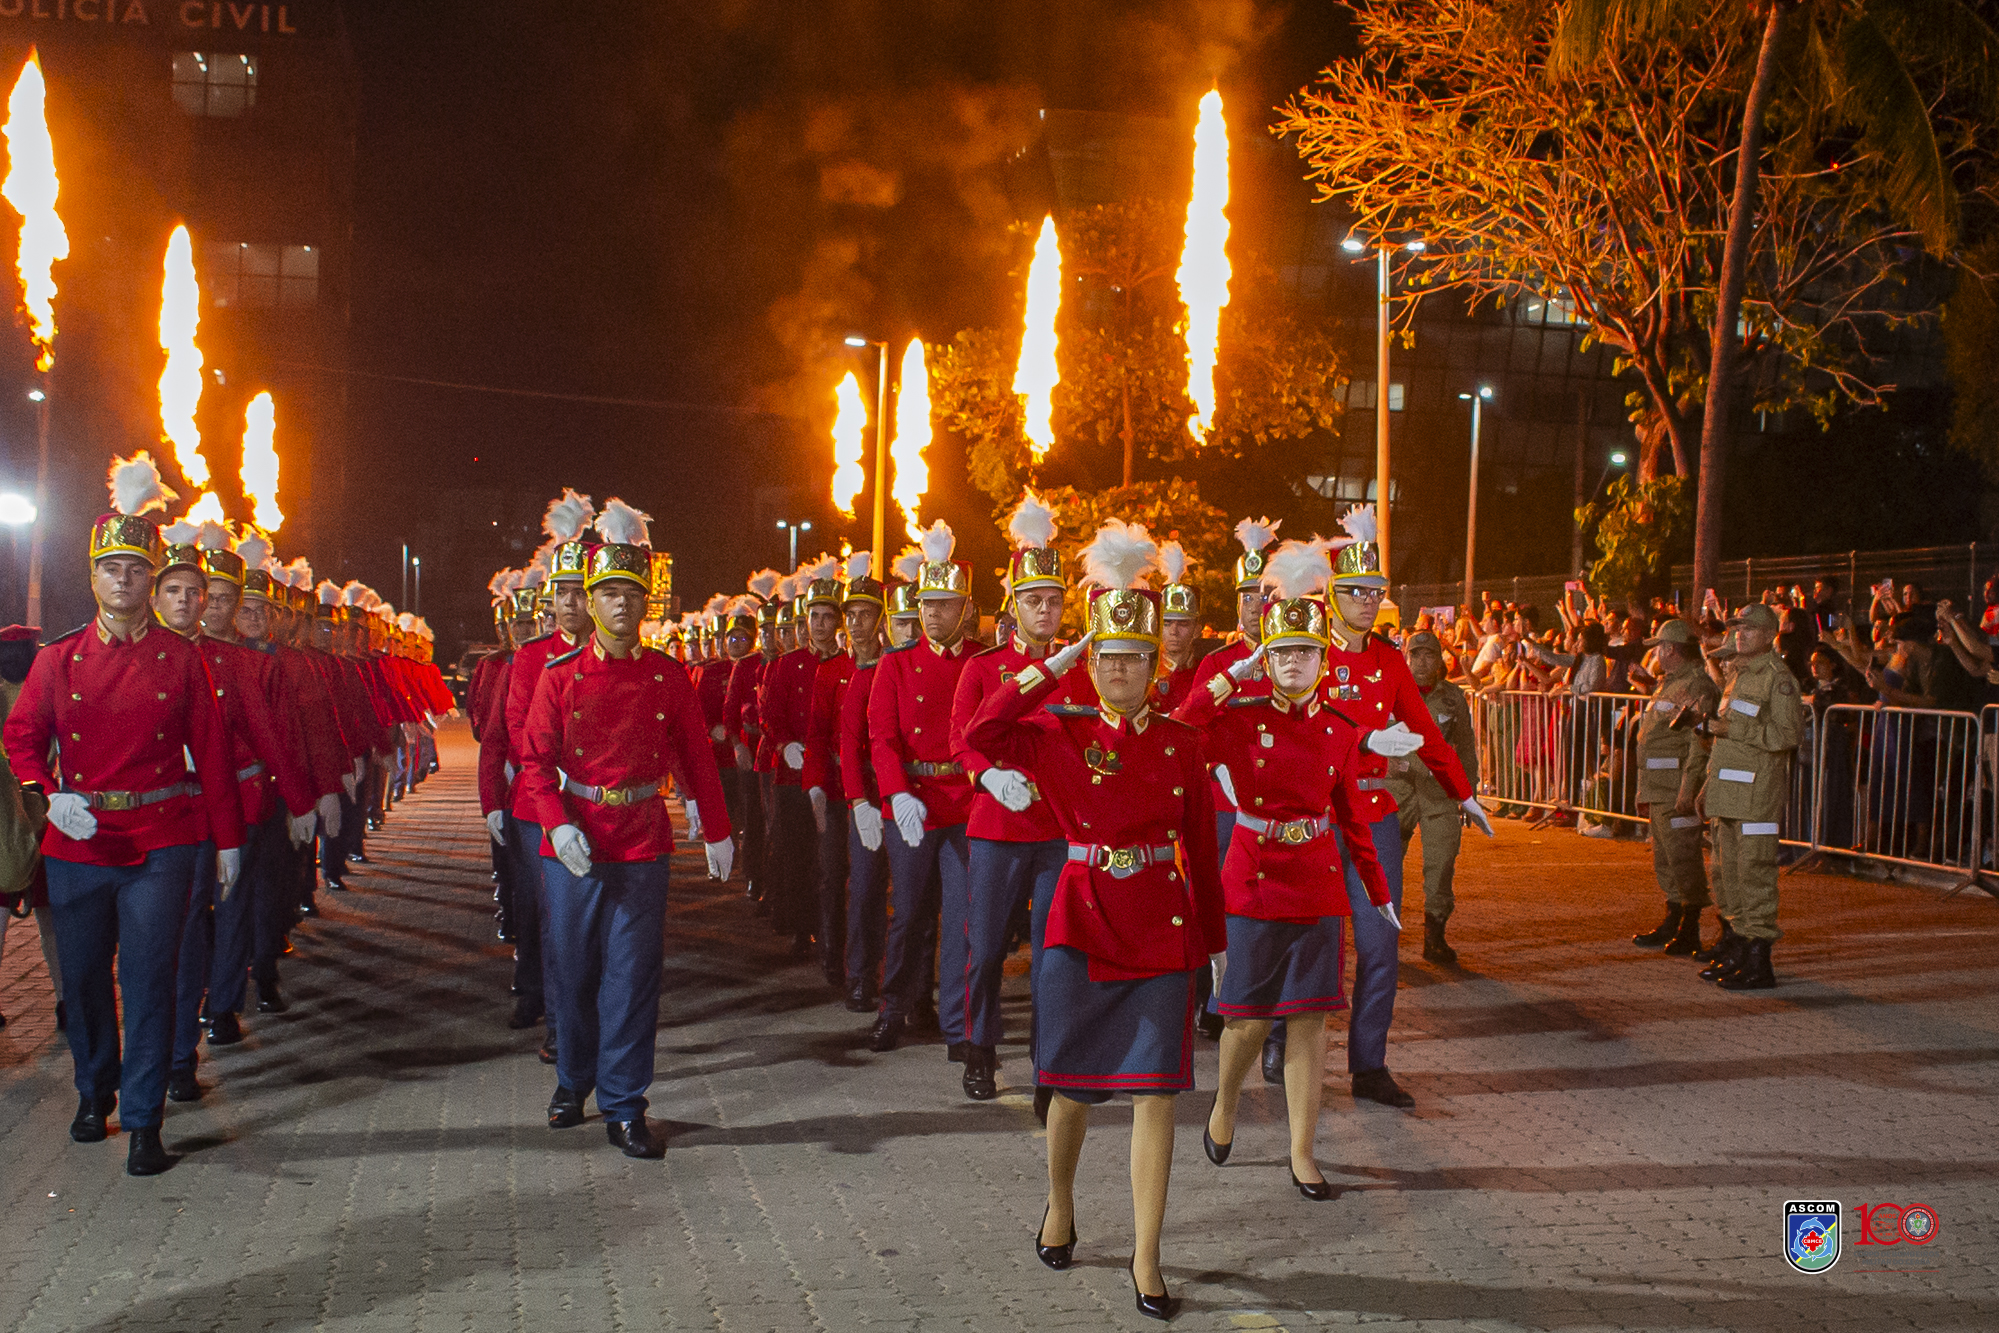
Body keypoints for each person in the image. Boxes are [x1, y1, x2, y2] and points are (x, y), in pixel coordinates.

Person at [966, 519, 1222, 1319]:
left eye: (1134, 660)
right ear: (1094, 661)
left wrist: (1215, 949)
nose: (1120, 671)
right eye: (1108, 658)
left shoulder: (1180, 743)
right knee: (1069, 1088)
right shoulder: (1059, 732)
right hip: (1078, 923)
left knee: (1156, 1096)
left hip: (1160, 928)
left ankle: (1147, 1256)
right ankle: (1061, 1203)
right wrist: (1052, 665)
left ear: (1153, 666)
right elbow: (979, 732)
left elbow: (1203, 852)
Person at [2, 453, 246, 1176]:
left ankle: (143, 1118)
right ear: (93, 576)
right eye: (111, 568)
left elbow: (213, 751)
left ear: (150, 577)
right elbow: (20, 737)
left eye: (136, 569)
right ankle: (94, 1087)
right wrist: (47, 791)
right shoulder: (58, 660)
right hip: (80, 841)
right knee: (80, 981)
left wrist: (227, 843)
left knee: (150, 981)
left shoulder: (181, 660)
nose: (124, 580)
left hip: (163, 839)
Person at [516, 499, 735, 1158]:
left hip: (641, 840)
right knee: (573, 971)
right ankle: (572, 1079)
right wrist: (557, 823)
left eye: (628, 595)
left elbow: (696, 756)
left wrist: (717, 827)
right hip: (576, 845)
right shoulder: (559, 678)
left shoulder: (667, 677)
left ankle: (624, 1102)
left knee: (633, 977)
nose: (617, 605)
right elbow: (532, 762)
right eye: (606, 593)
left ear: (645, 605)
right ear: (588, 599)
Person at [1172, 537, 1388, 1204]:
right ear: (1266, 658)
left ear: (1323, 660)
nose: (1294, 662)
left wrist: (1377, 894)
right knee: (1243, 1018)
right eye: (1282, 652)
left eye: (1306, 651)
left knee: (1308, 1021)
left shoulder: (1339, 728)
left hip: (1316, 882)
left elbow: (1353, 818)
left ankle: (1301, 1151)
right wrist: (1230, 677)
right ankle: (1226, 1102)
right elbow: (1181, 727)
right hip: (1254, 878)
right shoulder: (1239, 718)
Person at [1261, 504, 1487, 1105]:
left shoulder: (1389, 660)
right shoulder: (1304, 648)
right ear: (1333, 594)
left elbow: (1428, 734)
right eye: (1356, 590)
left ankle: (1368, 1064)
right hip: (1313, 818)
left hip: (1373, 817)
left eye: (1375, 591)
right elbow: (1292, 724)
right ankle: (1282, 1035)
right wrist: (1360, 739)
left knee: (1381, 945)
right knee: (1309, 940)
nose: (1367, 600)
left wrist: (1462, 793)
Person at [150, 528, 321, 1102]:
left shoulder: (236, 664)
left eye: (214, 596)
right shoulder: (140, 656)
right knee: (175, 930)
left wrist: (300, 800)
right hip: (164, 813)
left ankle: (218, 1009)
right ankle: (170, 1043)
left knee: (228, 909)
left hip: (234, 804)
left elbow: (271, 737)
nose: (208, 605)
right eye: (199, 592)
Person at [949, 493, 1082, 1101]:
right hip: (998, 826)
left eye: (1054, 600)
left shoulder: (1081, 667)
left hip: (1057, 829)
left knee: (1055, 951)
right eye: (1034, 600)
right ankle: (979, 1048)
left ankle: (1047, 1059)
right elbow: (962, 743)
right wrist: (988, 776)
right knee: (985, 948)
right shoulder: (982, 667)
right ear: (1014, 606)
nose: (1046, 609)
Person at [866, 522, 977, 1053]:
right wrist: (896, 793)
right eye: (926, 603)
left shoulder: (980, 662)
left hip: (966, 803)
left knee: (961, 918)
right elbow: (881, 739)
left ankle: (959, 1025)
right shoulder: (896, 663)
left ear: (965, 609)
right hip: (912, 803)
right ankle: (896, 1006)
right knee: (908, 912)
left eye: (944, 603)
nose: (932, 613)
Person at [492, 492, 599, 1038]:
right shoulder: (532, 656)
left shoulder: (609, 653)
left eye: (581, 594)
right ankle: (542, 1004)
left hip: (593, 802)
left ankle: (579, 1011)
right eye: (561, 594)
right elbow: (515, 725)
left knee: (583, 918)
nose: (570, 604)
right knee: (541, 912)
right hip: (538, 802)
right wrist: (548, 772)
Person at [1695, 603, 1803, 990]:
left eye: (1747, 628)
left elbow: (1786, 736)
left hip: (1756, 794)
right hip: (1728, 792)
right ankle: (1738, 947)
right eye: (1736, 627)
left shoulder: (1778, 679)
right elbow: (1726, 741)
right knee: (1727, 874)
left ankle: (1759, 960)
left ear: (1769, 633)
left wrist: (1730, 730)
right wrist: (1708, 785)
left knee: (1754, 874)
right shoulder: (1739, 677)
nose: (1738, 634)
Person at [805, 554, 884, 1005]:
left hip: (886, 786)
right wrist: (815, 785)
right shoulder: (832, 670)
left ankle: (872, 970)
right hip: (839, 788)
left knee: (875, 884)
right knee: (841, 876)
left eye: (864, 614)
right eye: (849, 614)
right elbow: (817, 735)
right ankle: (845, 964)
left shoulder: (891, 666)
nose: (855, 623)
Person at [760, 557, 841, 960]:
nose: (821, 624)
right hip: (791, 776)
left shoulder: (844, 666)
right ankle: (799, 928)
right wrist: (783, 744)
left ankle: (828, 929)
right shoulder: (786, 665)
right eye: (815, 616)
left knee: (828, 861)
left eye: (828, 616)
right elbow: (769, 714)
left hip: (831, 778)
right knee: (794, 856)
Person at [1382, 629, 1479, 965]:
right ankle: (1381, 940)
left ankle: (1434, 936)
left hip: (1439, 793)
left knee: (1440, 865)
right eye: (1416, 655)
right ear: (1406, 659)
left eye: (1429, 655)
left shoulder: (1453, 698)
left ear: (1440, 660)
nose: (1422, 662)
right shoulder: (1390, 693)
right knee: (1386, 867)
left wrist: (1469, 795)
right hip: (1398, 792)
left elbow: (1466, 748)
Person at [1629, 619, 1720, 955]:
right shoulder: (1669, 685)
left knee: (1684, 858)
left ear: (1670, 649)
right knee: (1665, 860)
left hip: (1677, 789)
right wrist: (1644, 792)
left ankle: (1689, 926)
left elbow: (1699, 743)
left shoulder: (1697, 686)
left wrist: (1689, 788)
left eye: (1659, 648)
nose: (1657, 654)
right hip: (1658, 789)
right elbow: (1652, 740)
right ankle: (1674, 918)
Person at [1150, 541, 1206, 714]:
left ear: (1197, 629)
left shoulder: (1206, 673)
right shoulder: (1146, 672)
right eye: (1167, 623)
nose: (1174, 631)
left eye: (1183, 623)